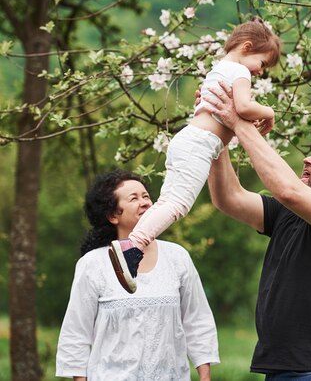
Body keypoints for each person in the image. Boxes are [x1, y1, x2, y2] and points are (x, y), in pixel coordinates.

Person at [203, 82, 311, 381]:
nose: (308, 159)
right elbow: (228, 199)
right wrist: (219, 131)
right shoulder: (289, 215)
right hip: (284, 368)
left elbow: (288, 191)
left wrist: (240, 123)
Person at [109, 16, 282, 293]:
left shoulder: (220, 68)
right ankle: (133, 246)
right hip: (199, 145)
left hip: (190, 141)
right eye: (263, 64)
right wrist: (269, 112)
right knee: (177, 204)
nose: (262, 72)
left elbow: (228, 116)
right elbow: (245, 107)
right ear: (247, 47)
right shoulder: (240, 73)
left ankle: (132, 247)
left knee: (169, 201)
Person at [56, 170, 219, 380]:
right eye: (134, 198)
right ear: (113, 215)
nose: (144, 203)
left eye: (146, 197)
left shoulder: (177, 257)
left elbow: (197, 320)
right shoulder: (93, 264)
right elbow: (77, 332)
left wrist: (205, 375)